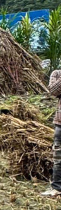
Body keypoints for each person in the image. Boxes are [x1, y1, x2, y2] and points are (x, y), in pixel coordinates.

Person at [44, 68, 61, 198]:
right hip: (60, 123)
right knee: (58, 157)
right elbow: (53, 91)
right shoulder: (57, 74)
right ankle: (57, 188)